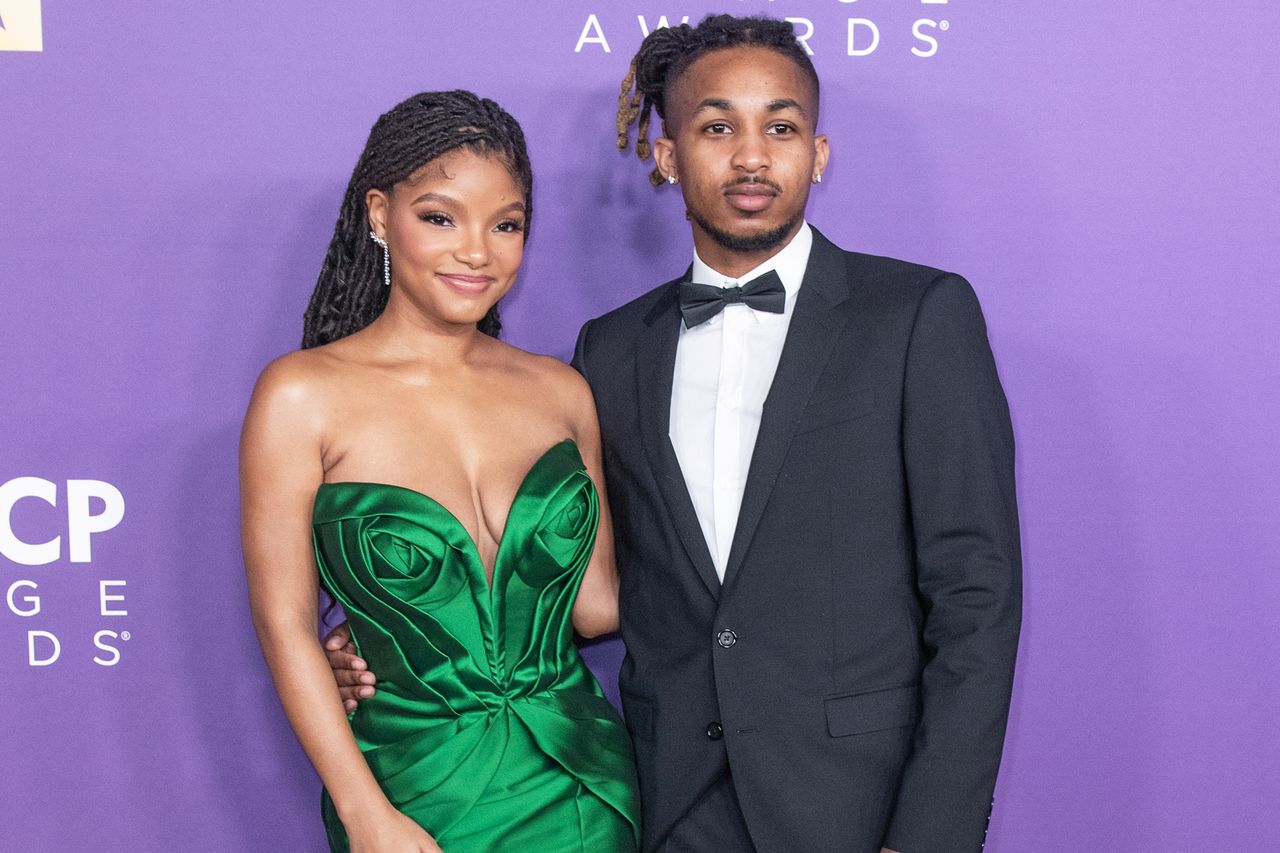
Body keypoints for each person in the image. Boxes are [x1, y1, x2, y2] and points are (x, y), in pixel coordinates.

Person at [328, 15, 1021, 852]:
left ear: (819, 154)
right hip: (667, 800)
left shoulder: (916, 316)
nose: (752, 157)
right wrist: (395, 630)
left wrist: (930, 835)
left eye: (781, 128)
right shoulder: (611, 349)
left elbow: (976, 595)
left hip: (855, 801)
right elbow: (586, 582)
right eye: (717, 128)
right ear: (666, 156)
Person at [240, 90, 639, 853]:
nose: (477, 251)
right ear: (379, 214)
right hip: (411, 793)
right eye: (440, 217)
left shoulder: (561, 392)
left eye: (506, 224)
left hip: (582, 786)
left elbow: (596, 608)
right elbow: (284, 626)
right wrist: (365, 813)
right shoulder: (299, 397)